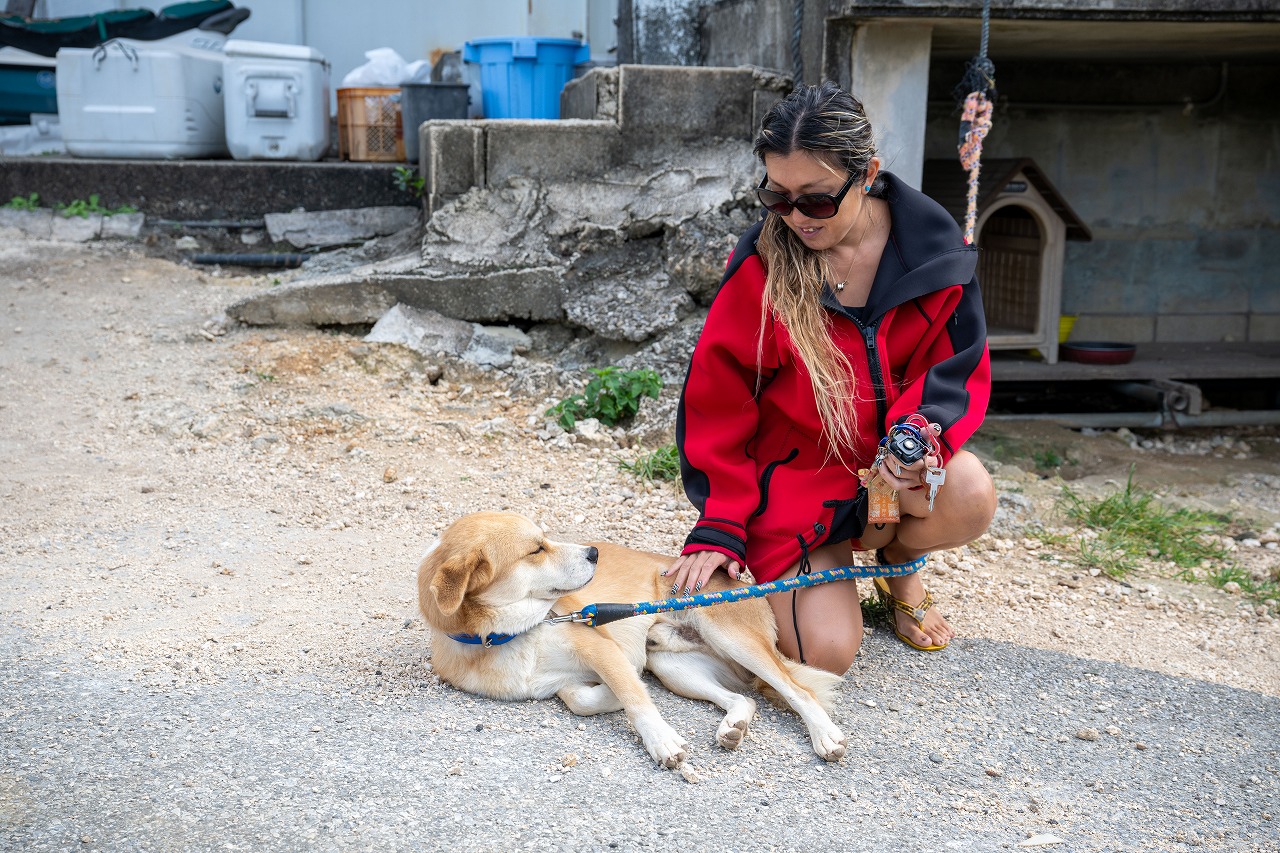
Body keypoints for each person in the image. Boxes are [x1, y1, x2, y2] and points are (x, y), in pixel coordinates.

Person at [665, 81, 998, 675]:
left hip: (890, 475)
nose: (795, 217)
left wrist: (921, 437)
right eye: (777, 196)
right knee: (826, 655)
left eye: (817, 200)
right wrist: (721, 521)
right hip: (798, 483)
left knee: (970, 494)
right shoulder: (763, 265)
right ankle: (833, 559)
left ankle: (899, 566)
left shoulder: (935, 251)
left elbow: (955, 366)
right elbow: (718, 398)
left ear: (866, 174)